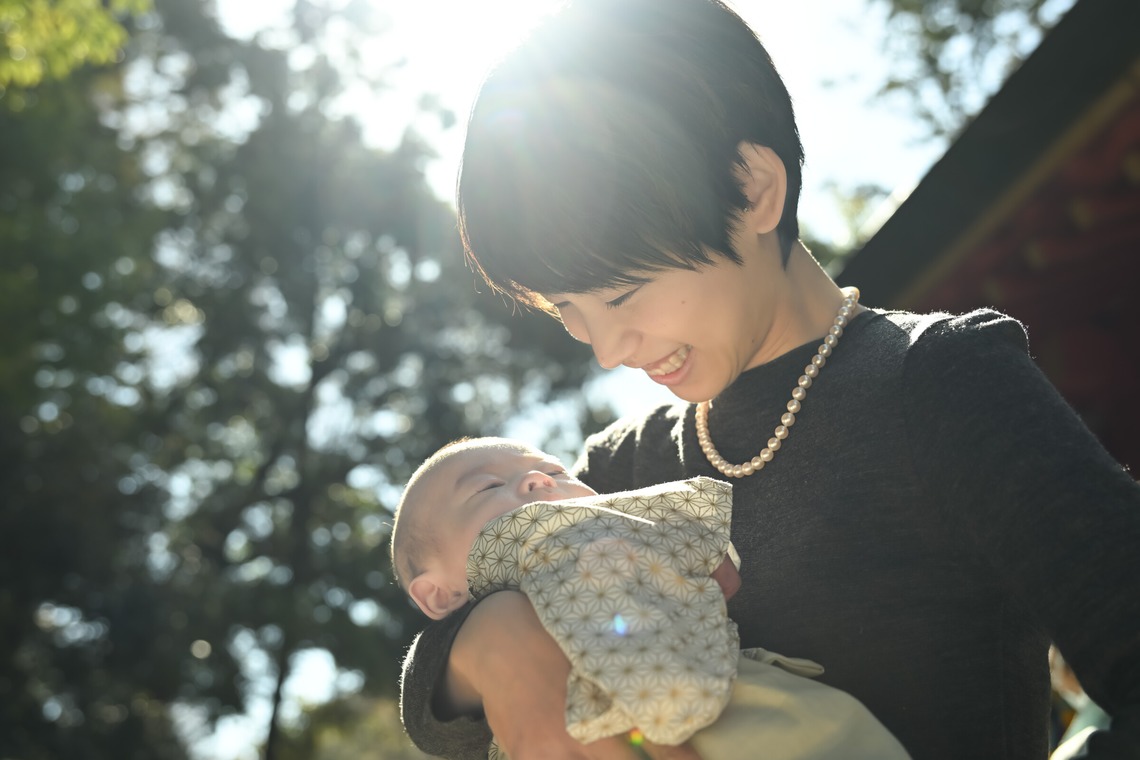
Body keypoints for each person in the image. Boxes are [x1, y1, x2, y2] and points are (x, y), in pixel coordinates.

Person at [397, 1, 1140, 758]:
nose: (609, 349)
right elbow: (440, 690)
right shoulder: (617, 472)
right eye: (567, 309)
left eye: (621, 294)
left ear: (752, 189)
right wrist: (496, 641)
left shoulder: (942, 383)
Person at [390, 437, 911, 759]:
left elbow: (717, 573)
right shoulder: (525, 554)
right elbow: (428, 710)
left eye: (555, 473)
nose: (536, 480)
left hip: (744, 712)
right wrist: (494, 632)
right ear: (439, 594)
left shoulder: (620, 517)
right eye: (485, 489)